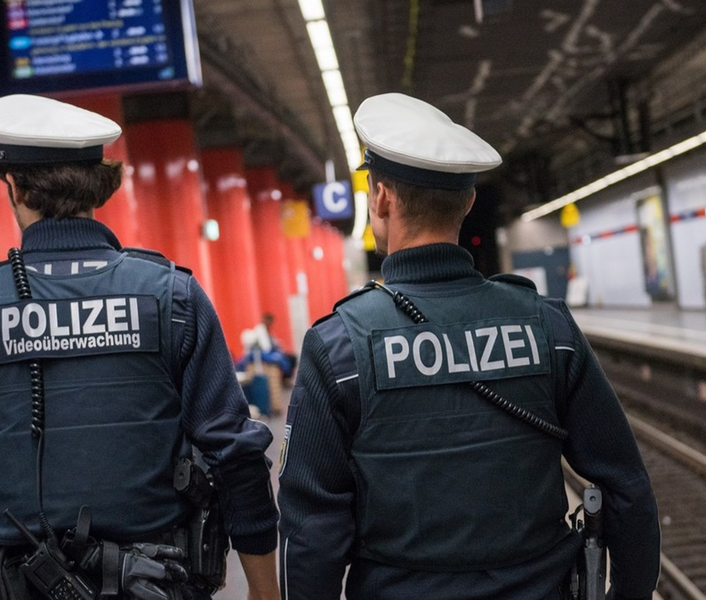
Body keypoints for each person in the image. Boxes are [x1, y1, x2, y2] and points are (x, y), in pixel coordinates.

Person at [277, 93, 661, 599]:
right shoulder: (548, 329)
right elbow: (627, 489)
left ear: (382, 198)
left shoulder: (339, 347)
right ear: (469, 202)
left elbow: (311, 535)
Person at [0, 94, 280, 600]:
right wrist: (266, 591)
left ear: (13, 185)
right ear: (99, 186)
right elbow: (234, 451)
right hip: (161, 581)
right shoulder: (173, 297)